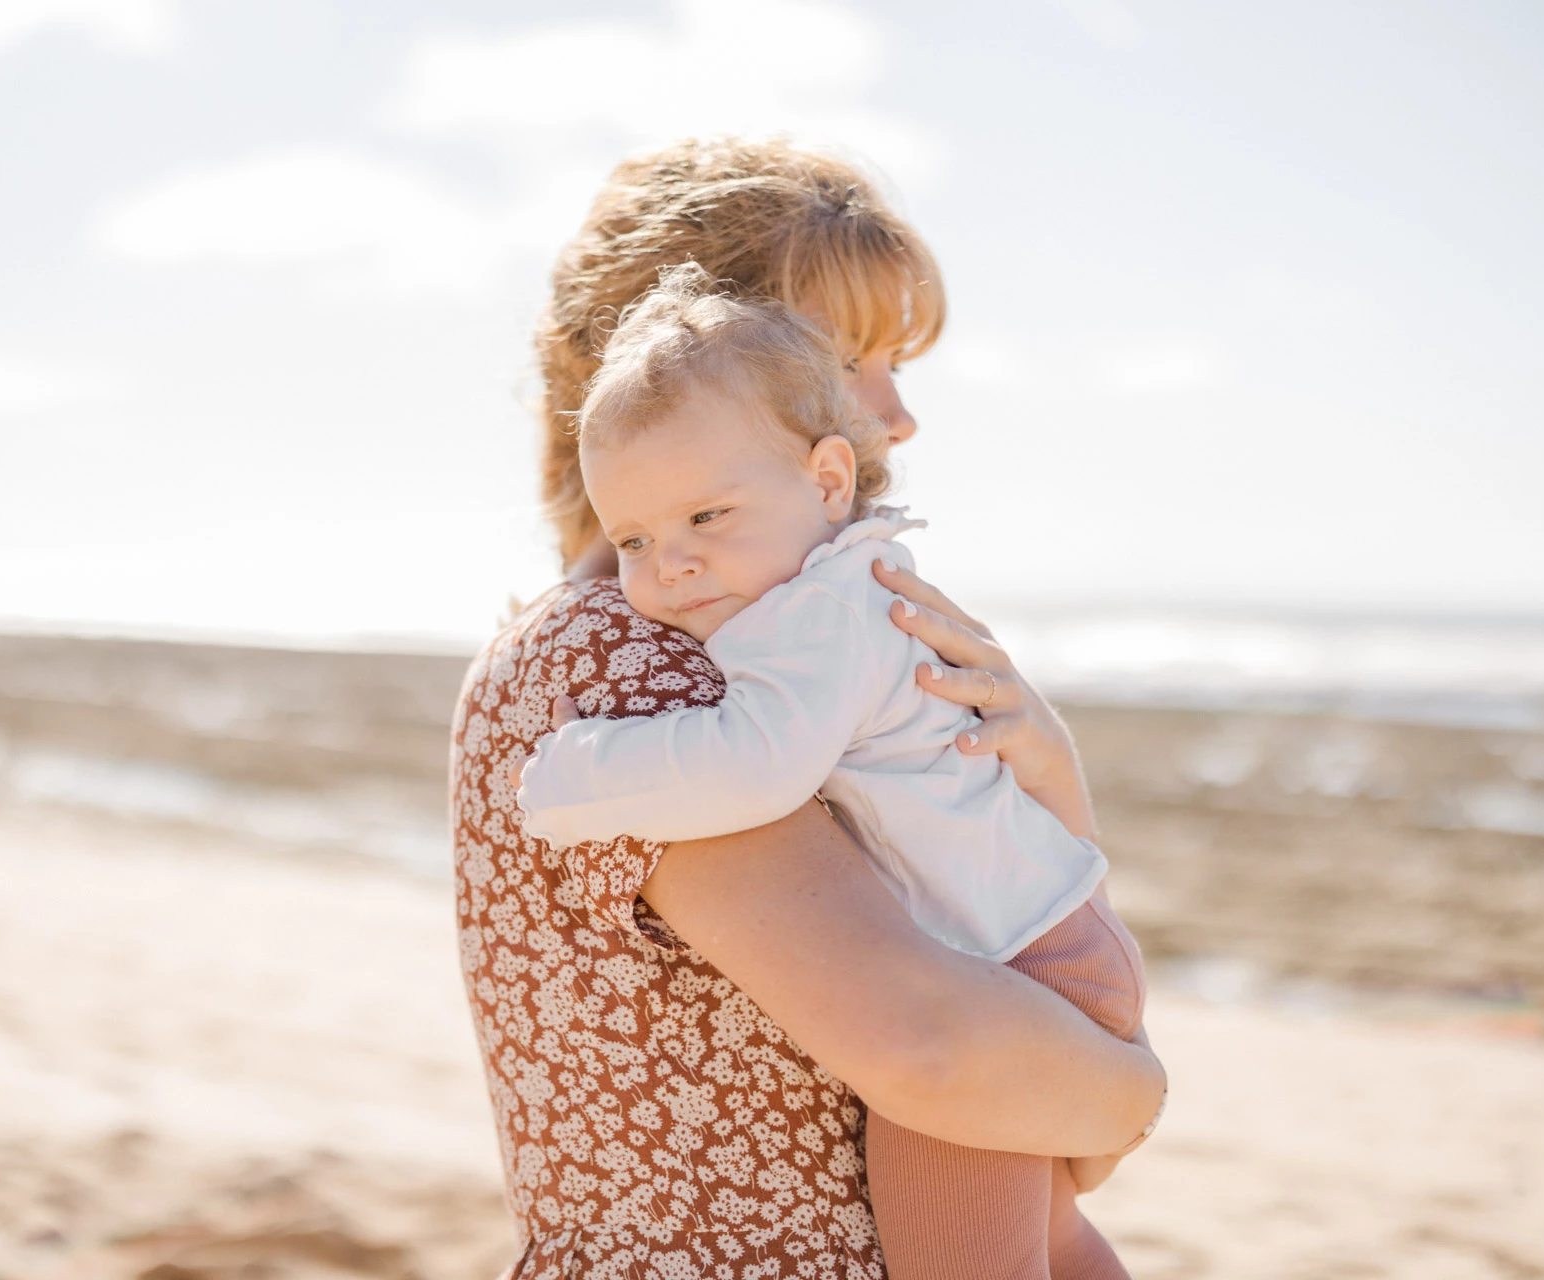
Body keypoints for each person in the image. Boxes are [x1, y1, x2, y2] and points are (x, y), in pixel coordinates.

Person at [451, 136, 1165, 1280]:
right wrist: (1131, 1086)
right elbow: (938, 1050)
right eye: (851, 355)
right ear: (676, 368)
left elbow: (1022, 1098)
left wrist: (1045, 774)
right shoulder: (635, 661)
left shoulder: (774, 635)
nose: (895, 412)